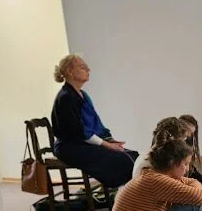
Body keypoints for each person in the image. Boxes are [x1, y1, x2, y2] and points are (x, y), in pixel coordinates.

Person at [51, 54, 138, 188]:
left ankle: (129, 193)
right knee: (120, 159)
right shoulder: (66, 97)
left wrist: (109, 139)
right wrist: (106, 145)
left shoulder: (83, 95)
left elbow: (95, 124)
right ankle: (125, 195)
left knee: (133, 155)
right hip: (69, 147)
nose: (88, 70)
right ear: (69, 71)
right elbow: (79, 131)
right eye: (82, 67)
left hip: (82, 143)